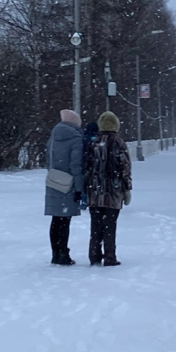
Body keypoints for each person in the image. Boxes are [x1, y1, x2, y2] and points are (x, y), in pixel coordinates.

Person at [84, 111, 132, 266]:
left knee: (95, 226)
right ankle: (110, 257)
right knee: (110, 226)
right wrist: (127, 189)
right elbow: (125, 167)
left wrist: (87, 186)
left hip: (95, 191)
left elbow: (87, 167)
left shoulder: (94, 142)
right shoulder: (119, 142)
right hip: (113, 191)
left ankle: (94, 256)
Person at [44, 109, 84, 266]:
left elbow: (48, 158)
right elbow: (76, 164)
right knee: (65, 220)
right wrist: (79, 187)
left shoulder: (53, 136)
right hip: (69, 183)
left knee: (56, 219)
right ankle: (63, 254)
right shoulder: (75, 138)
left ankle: (55, 253)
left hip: (54, 181)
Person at [80, 121, 99, 210]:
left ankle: (84, 201)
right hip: (96, 165)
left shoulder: (84, 138)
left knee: (85, 184)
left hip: (84, 164)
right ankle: (94, 200)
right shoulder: (98, 139)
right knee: (94, 183)